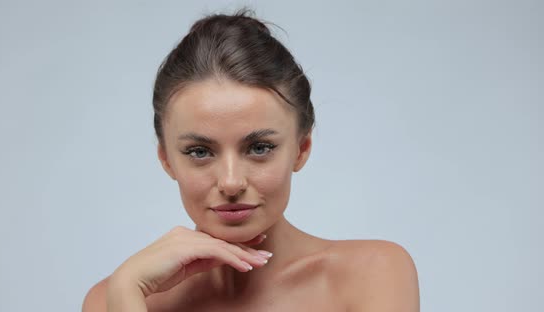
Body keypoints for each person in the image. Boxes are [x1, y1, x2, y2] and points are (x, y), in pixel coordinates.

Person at [82, 8, 419, 312]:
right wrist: (126, 294)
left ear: (301, 150)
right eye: (200, 152)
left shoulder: (372, 273)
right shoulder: (111, 299)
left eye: (259, 148)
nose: (231, 183)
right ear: (167, 160)